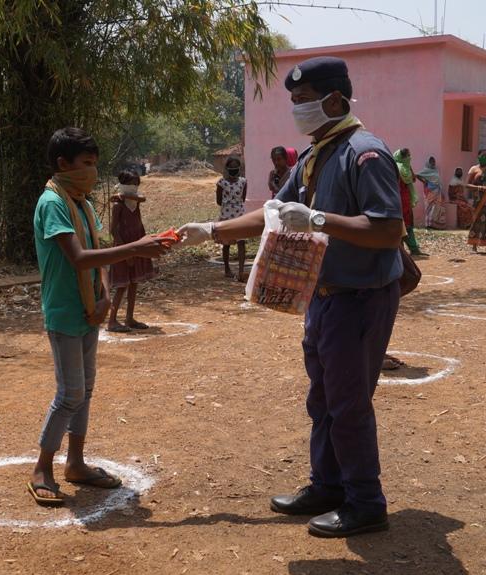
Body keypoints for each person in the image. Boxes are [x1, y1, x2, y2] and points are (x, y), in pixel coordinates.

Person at [178, 56, 404, 538]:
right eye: (295, 101)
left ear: (335, 101)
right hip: (324, 297)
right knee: (322, 399)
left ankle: (365, 502)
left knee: (348, 404)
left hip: (360, 297)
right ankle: (328, 486)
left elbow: (388, 229)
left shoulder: (365, 154)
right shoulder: (314, 155)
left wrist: (320, 220)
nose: (296, 109)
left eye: (303, 101)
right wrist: (212, 230)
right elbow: (274, 213)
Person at [29, 127, 171, 507]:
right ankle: (42, 468)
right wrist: (135, 248)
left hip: (89, 309)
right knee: (70, 393)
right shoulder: (52, 203)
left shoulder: (83, 204)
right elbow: (78, 258)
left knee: (85, 390)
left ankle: (75, 462)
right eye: (87, 163)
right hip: (64, 311)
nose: (93, 171)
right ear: (63, 164)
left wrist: (105, 294)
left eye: (95, 163)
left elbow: (97, 253)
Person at [107, 169, 157, 333]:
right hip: (123, 247)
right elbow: (113, 230)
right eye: (131, 184)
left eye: (136, 184)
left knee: (134, 283)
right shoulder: (118, 205)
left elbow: (142, 198)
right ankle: (112, 321)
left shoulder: (134, 202)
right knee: (122, 286)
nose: (134, 187)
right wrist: (125, 251)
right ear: (123, 184)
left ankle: (129, 318)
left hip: (137, 244)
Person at [216, 156, 248, 280]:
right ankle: (227, 269)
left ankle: (241, 271)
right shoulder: (221, 183)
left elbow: (243, 198)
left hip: (239, 216)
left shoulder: (243, 182)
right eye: (231, 168)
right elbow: (219, 201)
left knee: (241, 243)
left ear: (239, 169)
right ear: (227, 169)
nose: (233, 170)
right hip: (226, 216)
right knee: (226, 244)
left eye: (235, 168)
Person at [393, 148, 425, 256]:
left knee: (404, 223)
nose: (410, 158)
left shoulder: (396, 167)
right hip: (401, 199)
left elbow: (413, 179)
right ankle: (408, 248)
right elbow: (413, 179)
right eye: (408, 156)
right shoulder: (400, 169)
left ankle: (406, 248)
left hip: (401, 199)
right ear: (404, 157)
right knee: (405, 224)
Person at [416, 155, 445, 229]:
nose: (433, 163)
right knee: (428, 207)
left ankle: (434, 225)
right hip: (429, 191)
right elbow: (417, 175)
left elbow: (438, 182)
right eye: (431, 161)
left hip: (437, 191)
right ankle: (428, 224)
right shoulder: (426, 170)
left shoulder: (435, 170)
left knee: (436, 207)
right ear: (429, 162)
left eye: (434, 161)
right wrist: (424, 181)